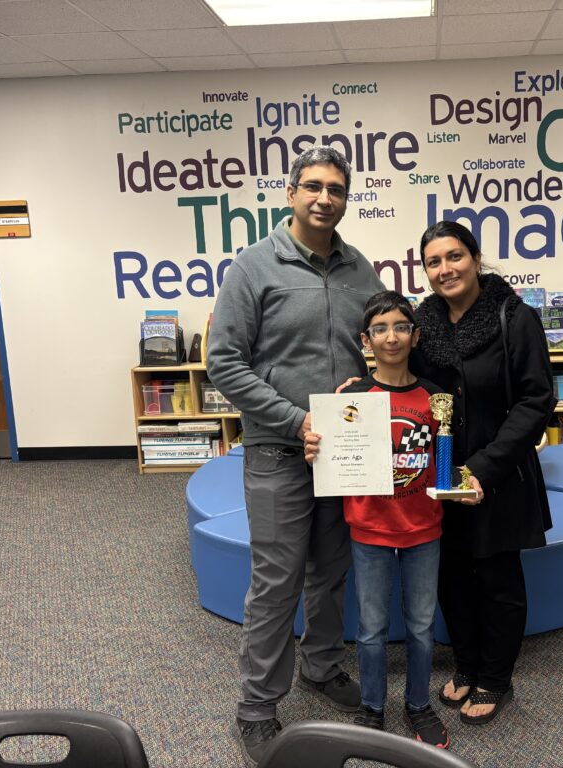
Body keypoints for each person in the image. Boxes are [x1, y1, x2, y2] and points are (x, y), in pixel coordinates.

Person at [206, 146, 385, 767]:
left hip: (345, 452)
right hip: (279, 452)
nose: (324, 198)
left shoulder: (362, 270)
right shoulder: (253, 267)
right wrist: (295, 419)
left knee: (332, 572)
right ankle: (256, 708)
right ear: (290, 192)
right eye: (313, 186)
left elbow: (378, 349)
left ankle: (321, 666)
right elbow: (223, 362)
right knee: (277, 583)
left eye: (336, 189)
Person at [410, 220, 555, 726]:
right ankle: (467, 663)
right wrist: (358, 390)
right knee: (451, 574)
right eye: (433, 261)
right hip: (440, 475)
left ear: (475, 258)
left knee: (497, 578)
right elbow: (402, 384)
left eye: (454, 256)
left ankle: (496, 677)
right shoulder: (420, 326)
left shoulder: (515, 317)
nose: (444, 269)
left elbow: (537, 401)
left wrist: (484, 469)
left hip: (499, 472)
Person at [304, 290, 450, 749]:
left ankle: (418, 703)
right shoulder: (352, 397)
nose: (392, 337)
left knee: (422, 627)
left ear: (415, 334)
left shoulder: (434, 399)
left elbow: (441, 463)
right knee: (370, 630)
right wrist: (317, 452)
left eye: (400, 327)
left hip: (424, 528)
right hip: (369, 529)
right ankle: (372, 706)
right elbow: (334, 457)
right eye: (380, 329)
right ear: (366, 340)